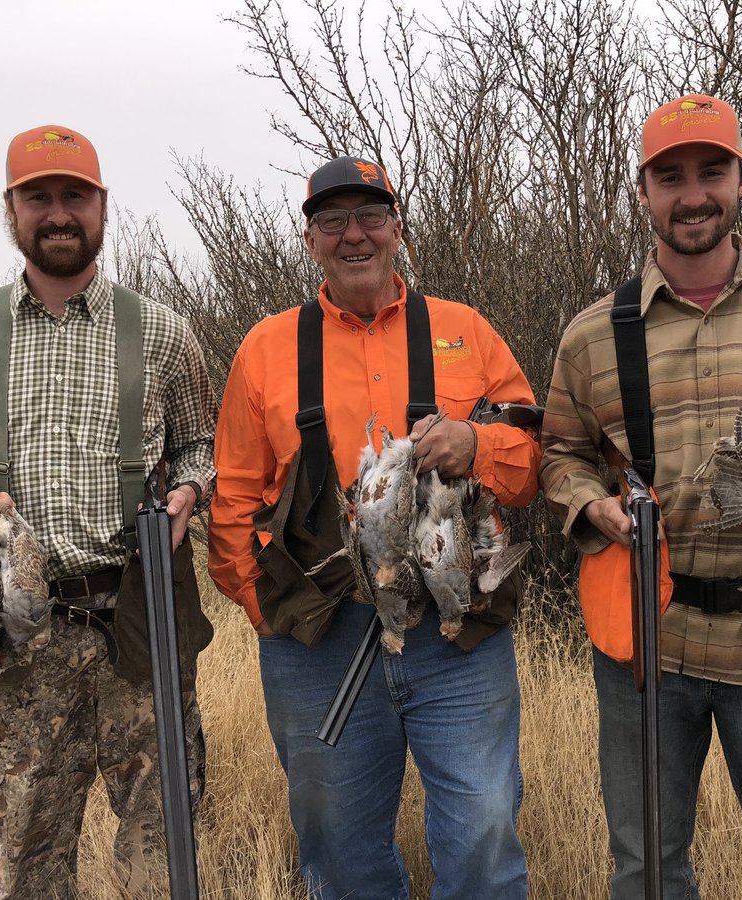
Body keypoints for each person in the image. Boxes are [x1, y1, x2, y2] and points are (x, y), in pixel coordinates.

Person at [540, 95, 742, 900]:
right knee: (648, 876)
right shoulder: (592, 334)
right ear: (643, 192)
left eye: (712, 172)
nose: (693, 196)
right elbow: (560, 454)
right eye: (671, 177)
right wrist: (591, 506)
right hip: (650, 647)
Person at [208, 155, 539, 899]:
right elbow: (232, 498)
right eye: (332, 220)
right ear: (310, 241)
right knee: (338, 849)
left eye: (369, 216)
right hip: (323, 642)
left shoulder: (465, 332)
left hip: (454, 634)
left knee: (484, 831)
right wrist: (270, 613)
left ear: (398, 228)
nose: (353, 234)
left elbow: (531, 465)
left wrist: (476, 444)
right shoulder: (266, 349)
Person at [0, 124, 217, 900]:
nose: (58, 213)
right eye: (37, 197)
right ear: (10, 209)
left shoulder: (164, 331)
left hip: (141, 617)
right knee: (26, 859)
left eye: (75, 196)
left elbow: (200, 446)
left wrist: (188, 492)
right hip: (21, 635)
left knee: (163, 852)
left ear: (102, 207)